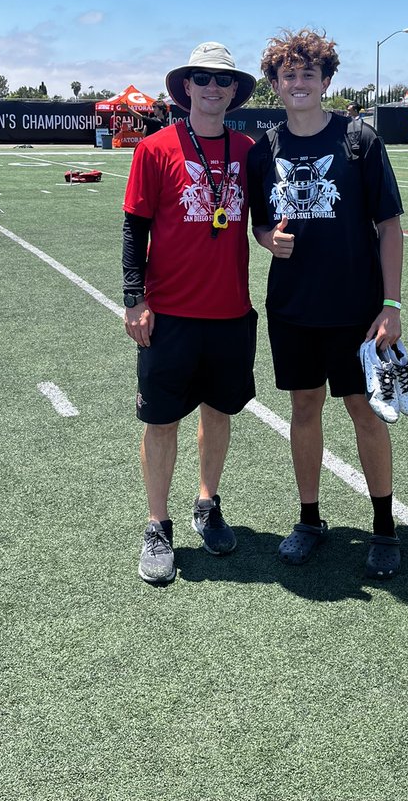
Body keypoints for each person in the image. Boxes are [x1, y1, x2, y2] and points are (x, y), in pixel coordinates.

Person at [247, 28, 406, 580]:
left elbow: (389, 225)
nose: (297, 82)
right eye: (287, 74)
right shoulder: (263, 149)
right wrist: (268, 240)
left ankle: (384, 528)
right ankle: (310, 519)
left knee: (365, 411)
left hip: (356, 310)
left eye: (307, 74)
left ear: (326, 80)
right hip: (292, 307)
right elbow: (259, 223)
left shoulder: (359, 140)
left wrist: (391, 303)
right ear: (274, 83)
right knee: (304, 409)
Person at [122, 42, 258, 586]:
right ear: (186, 88)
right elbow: (135, 226)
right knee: (160, 420)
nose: (212, 87)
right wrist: (134, 297)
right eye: (202, 78)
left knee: (218, 412)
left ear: (232, 91)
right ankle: (157, 524)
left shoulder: (249, 150)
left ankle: (207, 502)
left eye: (222, 80)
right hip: (170, 312)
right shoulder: (155, 148)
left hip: (229, 310)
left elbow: (268, 216)